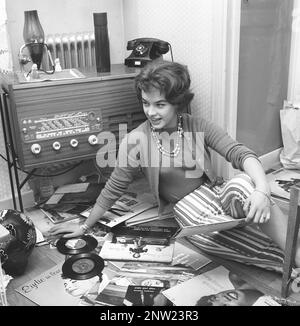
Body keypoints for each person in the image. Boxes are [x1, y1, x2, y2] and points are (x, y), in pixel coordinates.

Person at [49, 60, 299, 270]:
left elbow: (241, 154)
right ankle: (287, 266)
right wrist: (84, 226)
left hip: (216, 194)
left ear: (177, 103)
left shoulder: (197, 126)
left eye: (160, 104)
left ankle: (295, 249)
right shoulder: (136, 140)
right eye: (146, 103)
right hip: (189, 210)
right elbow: (113, 189)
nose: (151, 112)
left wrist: (263, 190)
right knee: (220, 240)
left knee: (245, 184)